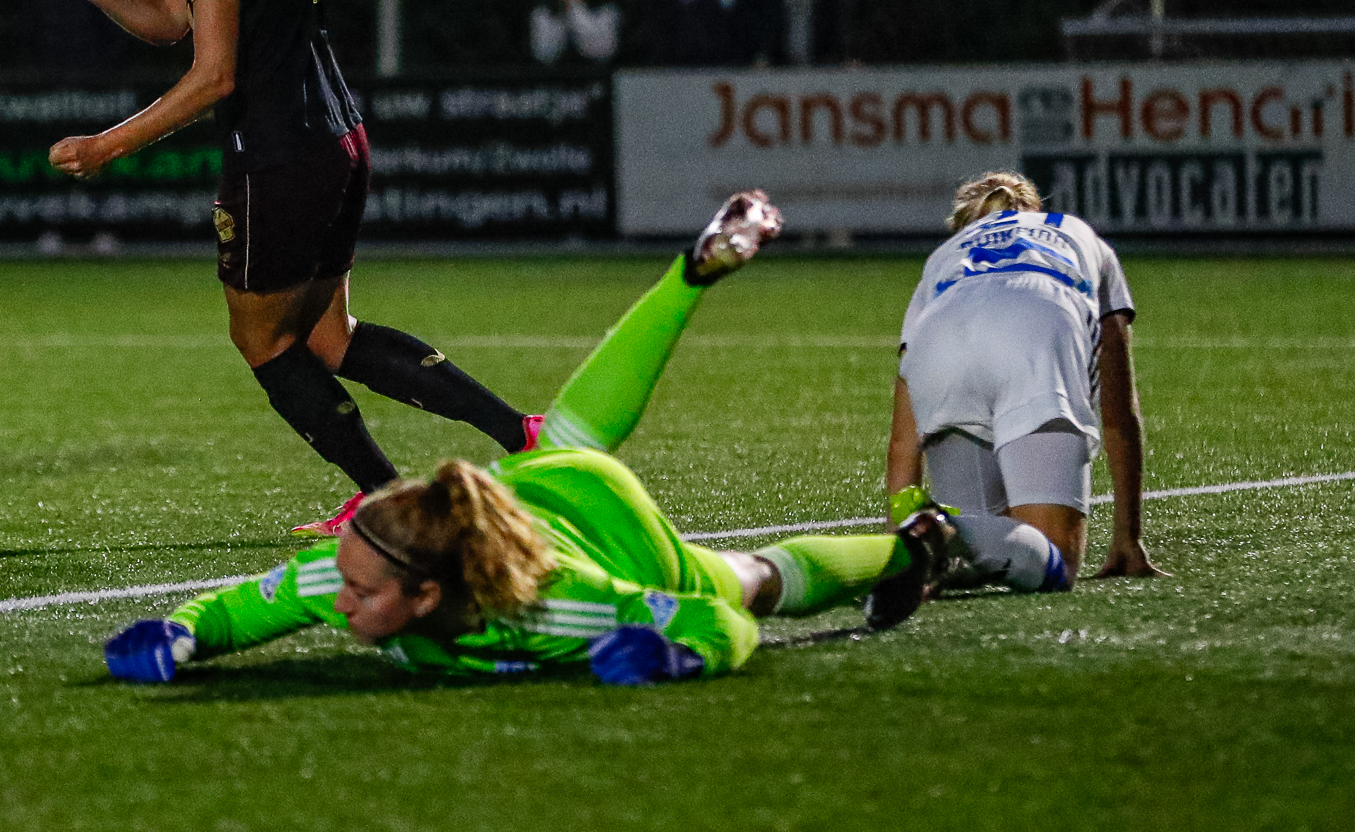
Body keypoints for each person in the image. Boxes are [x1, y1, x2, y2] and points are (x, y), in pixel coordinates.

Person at [103, 192, 957, 687]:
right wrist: (179, 634)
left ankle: (908, 550)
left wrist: (676, 653)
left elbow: (720, 623)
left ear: (426, 597)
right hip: (530, 486)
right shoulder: (355, 566)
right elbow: (237, 609)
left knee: (750, 580)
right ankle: (687, 277)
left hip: (611, 528)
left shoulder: (559, 602)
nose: (339, 602)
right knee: (571, 430)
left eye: (361, 592)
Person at [44, 0, 538, 536]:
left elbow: (213, 75)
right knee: (329, 336)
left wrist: (108, 145)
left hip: (279, 155)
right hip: (336, 137)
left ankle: (384, 499)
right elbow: (171, 18)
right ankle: (524, 435)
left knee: (262, 339)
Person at [884, 171, 1163, 592]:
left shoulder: (944, 256)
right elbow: (1118, 411)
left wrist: (894, 551)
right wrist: (1127, 536)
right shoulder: (1076, 233)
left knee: (974, 548)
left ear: (965, 225)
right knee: (1052, 560)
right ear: (1033, 210)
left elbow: (903, 441)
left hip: (941, 347)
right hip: (1035, 331)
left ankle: (931, 539)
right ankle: (945, 530)